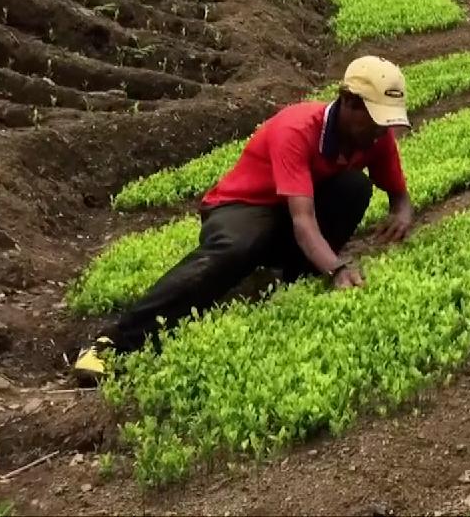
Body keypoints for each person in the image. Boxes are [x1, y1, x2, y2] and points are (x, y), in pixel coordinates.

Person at [73, 55, 415, 382]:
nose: (381, 129)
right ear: (348, 102)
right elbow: (303, 221)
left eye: (386, 120)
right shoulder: (297, 129)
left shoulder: (375, 136)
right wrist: (337, 268)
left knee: (354, 187)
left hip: (289, 214)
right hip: (242, 207)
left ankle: (289, 280)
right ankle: (115, 342)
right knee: (238, 247)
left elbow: (399, 195)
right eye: (375, 118)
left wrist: (400, 213)